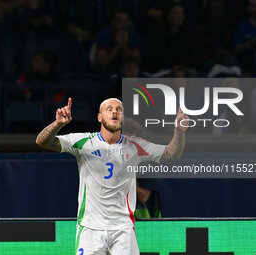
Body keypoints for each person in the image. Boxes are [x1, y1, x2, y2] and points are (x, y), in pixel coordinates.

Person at [36, 97, 188, 254]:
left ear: (122, 118)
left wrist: (179, 132)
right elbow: (42, 142)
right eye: (109, 109)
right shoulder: (83, 142)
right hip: (90, 228)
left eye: (119, 109)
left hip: (123, 229)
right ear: (99, 117)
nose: (115, 111)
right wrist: (57, 125)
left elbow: (171, 153)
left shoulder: (135, 146)